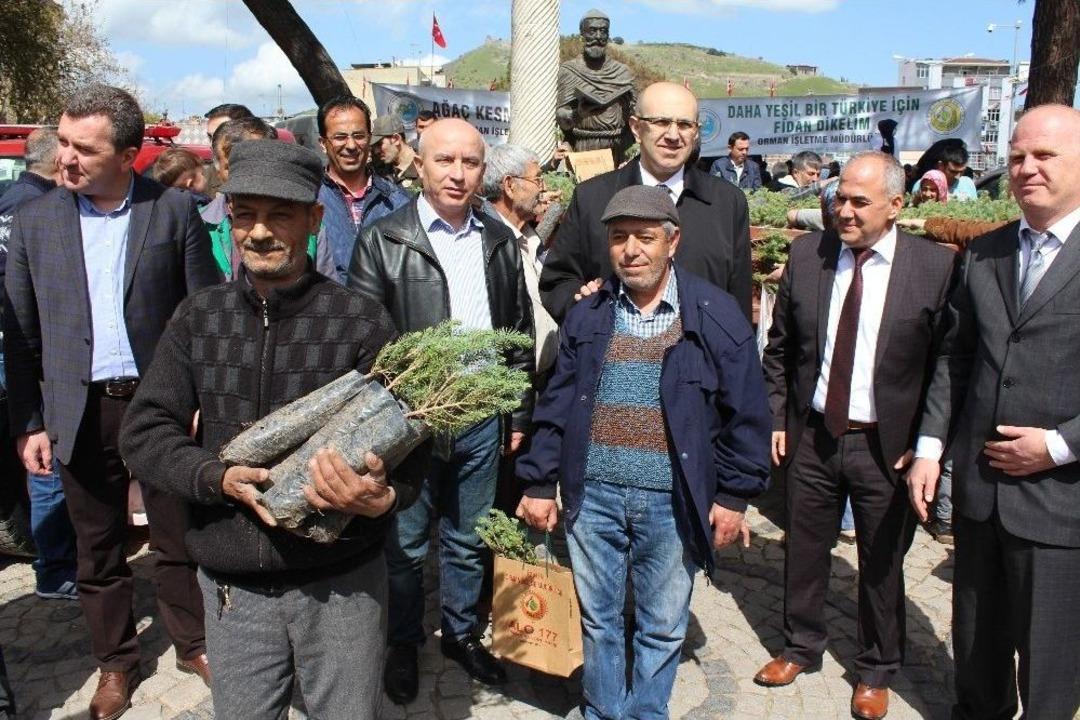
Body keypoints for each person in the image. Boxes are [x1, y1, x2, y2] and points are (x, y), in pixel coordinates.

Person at [119, 139, 425, 720]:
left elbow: (415, 448)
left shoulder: (360, 321)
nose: (259, 232)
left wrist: (382, 498)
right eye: (245, 215)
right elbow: (145, 430)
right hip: (234, 589)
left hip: (341, 584)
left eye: (279, 215)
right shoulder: (199, 317)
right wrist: (214, 477)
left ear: (314, 220)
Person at [3, 84, 220, 720]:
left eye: (84, 149)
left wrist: (200, 397)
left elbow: (204, 313)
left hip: (160, 406)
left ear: (127, 156)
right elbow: (22, 335)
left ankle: (194, 643)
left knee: (177, 535)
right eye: (64, 143)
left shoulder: (171, 211)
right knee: (98, 548)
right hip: (79, 408)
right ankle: (116, 662)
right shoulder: (36, 222)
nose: (66, 158)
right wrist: (30, 423)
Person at [517, 184, 770, 719]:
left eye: (645, 237)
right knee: (599, 619)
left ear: (672, 242)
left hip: (672, 501)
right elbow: (557, 403)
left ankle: (646, 713)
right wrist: (539, 481)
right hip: (594, 497)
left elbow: (747, 413)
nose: (631, 250)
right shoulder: (588, 315)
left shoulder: (715, 314)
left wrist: (733, 496)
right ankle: (603, 710)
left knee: (661, 624)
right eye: (619, 238)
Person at [757, 152, 957, 720]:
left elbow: (947, 363)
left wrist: (927, 444)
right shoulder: (809, 255)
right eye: (839, 198)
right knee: (805, 549)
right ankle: (800, 646)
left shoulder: (932, 267)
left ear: (895, 205)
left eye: (859, 202)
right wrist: (777, 417)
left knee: (882, 562)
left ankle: (876, 668)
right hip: (814, 436)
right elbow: (780, 350)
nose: (843, 210)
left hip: (887, 448)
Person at [347, 119, 534, 705]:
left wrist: (516, 413)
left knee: (468, 536)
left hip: (482, 416)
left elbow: (520, 331)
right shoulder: (384, 239)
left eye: (470, 162)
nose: (457, 174)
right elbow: (363, 340)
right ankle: (403, 641)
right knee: (404, 544)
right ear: (420, 165)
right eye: (445, 160)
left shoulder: (498, 240)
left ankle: (459, 634)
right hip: (412, 422)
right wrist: (392, 414)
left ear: (484, 170)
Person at [907, 104, 1080, 720]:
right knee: (977, 656)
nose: (1027, 168)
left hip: (1062, 500)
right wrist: (930, 447)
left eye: (1045, 155)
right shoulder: (986, 253)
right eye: (1016, 157)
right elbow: (956, 358)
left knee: (1051, 671)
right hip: (980, 495)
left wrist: (1058, 445)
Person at [541, 81, 753, 323]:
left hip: (705, 346)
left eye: (684, 125)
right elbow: (557, 282)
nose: (673, 135)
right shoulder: (592, 198)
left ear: (695, 132)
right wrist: (584, 305)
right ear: (636, 128)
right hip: (611, 344)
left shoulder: (727, 203)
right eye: (661, 122)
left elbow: (739, 300)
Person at [0, 127, 81, 602]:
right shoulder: (40, 210)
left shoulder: (8, 200)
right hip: (37, 348)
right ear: (56, 162)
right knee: (47, 457)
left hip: (17, 345)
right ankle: (56, 569)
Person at [482, 144, 559, 381]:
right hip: (513, 384)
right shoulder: (487, 243)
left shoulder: (528, 236)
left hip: (545, 381)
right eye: (537, 180)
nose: (543, 188)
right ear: (510, 185)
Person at [316, 96, 410, 284]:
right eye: (340, 137)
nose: (351, 145)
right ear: (323, 144)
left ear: (369, 138)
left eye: (359, 136)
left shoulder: (399, 202)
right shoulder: (308, 200)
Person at [556, 9, 636, 164]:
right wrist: (577, 113)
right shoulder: (569, 70)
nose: (598, 36)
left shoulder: (622, 72)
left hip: (617, 147)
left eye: (603, 31)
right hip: (583, 146)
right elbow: (560, 115)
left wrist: (631, 107)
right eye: (592, 31)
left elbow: (636, 113)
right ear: (582, 34)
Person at [369, 114, 420, 192]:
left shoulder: (424, 169)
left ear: (396, 139)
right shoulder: (378, 170)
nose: (376, 151)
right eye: (374, 146)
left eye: (379, 144)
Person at [767, 150, 831, 200]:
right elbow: (791, 195)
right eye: (811, 174)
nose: (815, 179)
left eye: (818, 174)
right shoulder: (781, 186)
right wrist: (821, 185)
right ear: (795, 173)